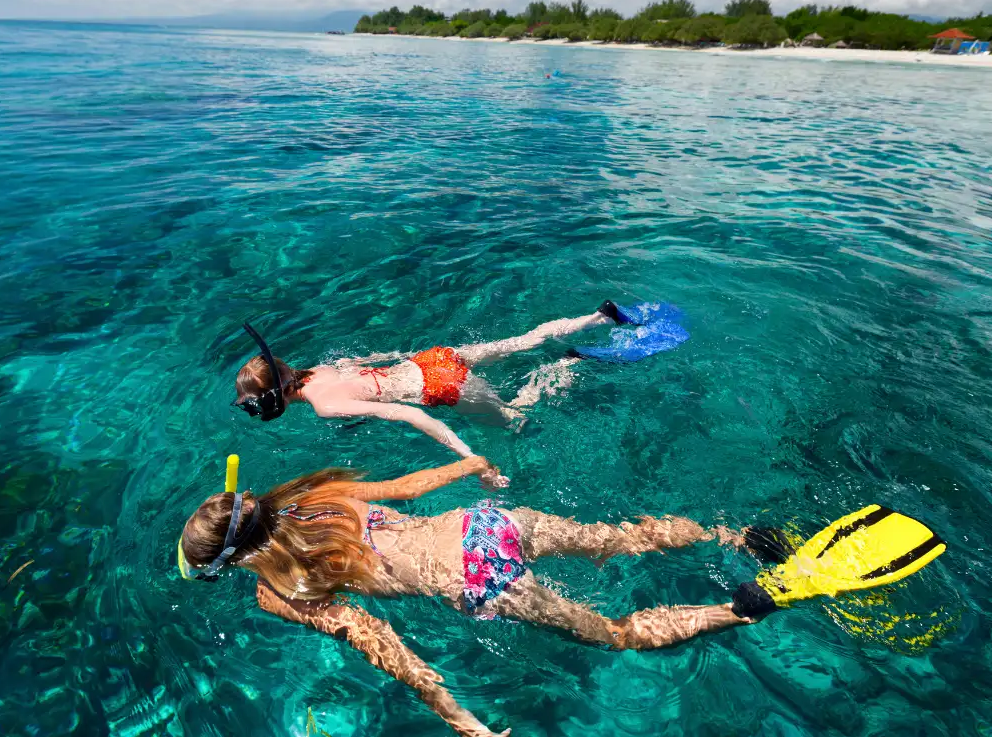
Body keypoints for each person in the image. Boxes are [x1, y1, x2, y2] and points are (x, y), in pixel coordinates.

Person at [178, 457, 773, 737]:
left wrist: (461, 719)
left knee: (616, 635)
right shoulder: (319, 496)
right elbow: (406, 487)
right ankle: (732, 534)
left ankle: (738, 608)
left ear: (231, 562)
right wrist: (471, 463)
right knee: (615, 542)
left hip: (479, 580)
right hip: (482, 524)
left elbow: (374, 637)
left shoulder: (276, 591)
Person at [232, 303, 629, 484]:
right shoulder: (317, 370)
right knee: (524, 340)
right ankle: (598, 316)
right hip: (432, 359)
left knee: (515, 418)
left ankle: (568, 364)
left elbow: (412, 416)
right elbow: (371, 360)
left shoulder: (325, 406)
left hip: (440, 387)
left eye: (256, 404)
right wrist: (403, 357)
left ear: (275, 398)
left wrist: (471, 460)